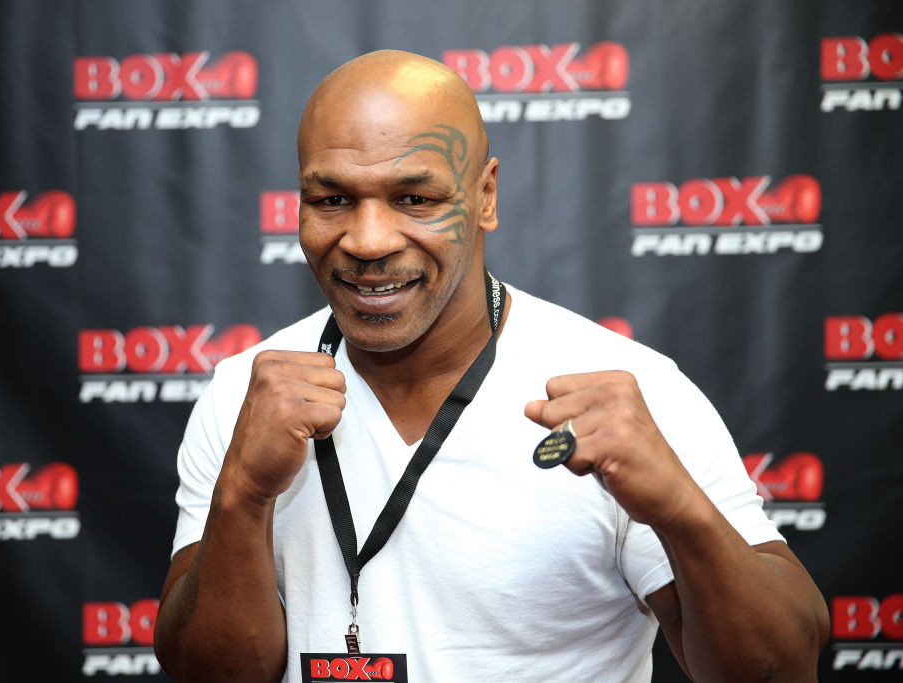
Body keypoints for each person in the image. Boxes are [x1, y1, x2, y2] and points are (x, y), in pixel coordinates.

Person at [153, 50, 829, 682]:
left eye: (415, 199)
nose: (367, 240)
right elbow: (205, 672)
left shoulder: (625, 393)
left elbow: (781, 666)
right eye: (332, 200)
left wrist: (681, 510)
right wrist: (244, 494)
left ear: (485, 195)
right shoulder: (246, 394)